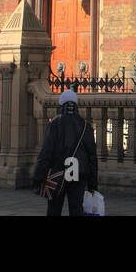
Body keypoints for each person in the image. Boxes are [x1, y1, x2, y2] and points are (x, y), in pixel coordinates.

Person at [32, 88, 97, 216]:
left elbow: (45, 153)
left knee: (54, 209)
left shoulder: (55, 124)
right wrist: (92, 184)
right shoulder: (85, 126)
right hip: (79, 174)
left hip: (57, 174)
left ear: (62, 105)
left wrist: (37, 179)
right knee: (77, 209)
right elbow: (92, 158)